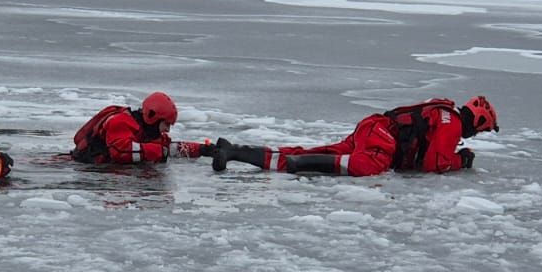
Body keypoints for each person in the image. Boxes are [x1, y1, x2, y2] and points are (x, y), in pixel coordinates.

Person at [211, 95, 498, 176]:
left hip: (375, 127)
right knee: (367, 166)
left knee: (320, 152)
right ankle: (304, 164)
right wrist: (462, 161)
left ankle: (234, 151)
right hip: (383, 135)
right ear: (479, 122)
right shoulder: (453, 123)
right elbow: (435, 163)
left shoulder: (444, 112)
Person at [69, 92, 213, 164]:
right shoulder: (120, 122)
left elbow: (168, 148)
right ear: (153, 118)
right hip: (86, 169)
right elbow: (120, 151)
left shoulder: (147, 129)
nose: (168, 130)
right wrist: (159, 152)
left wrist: (203, 149)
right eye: (166, 124)